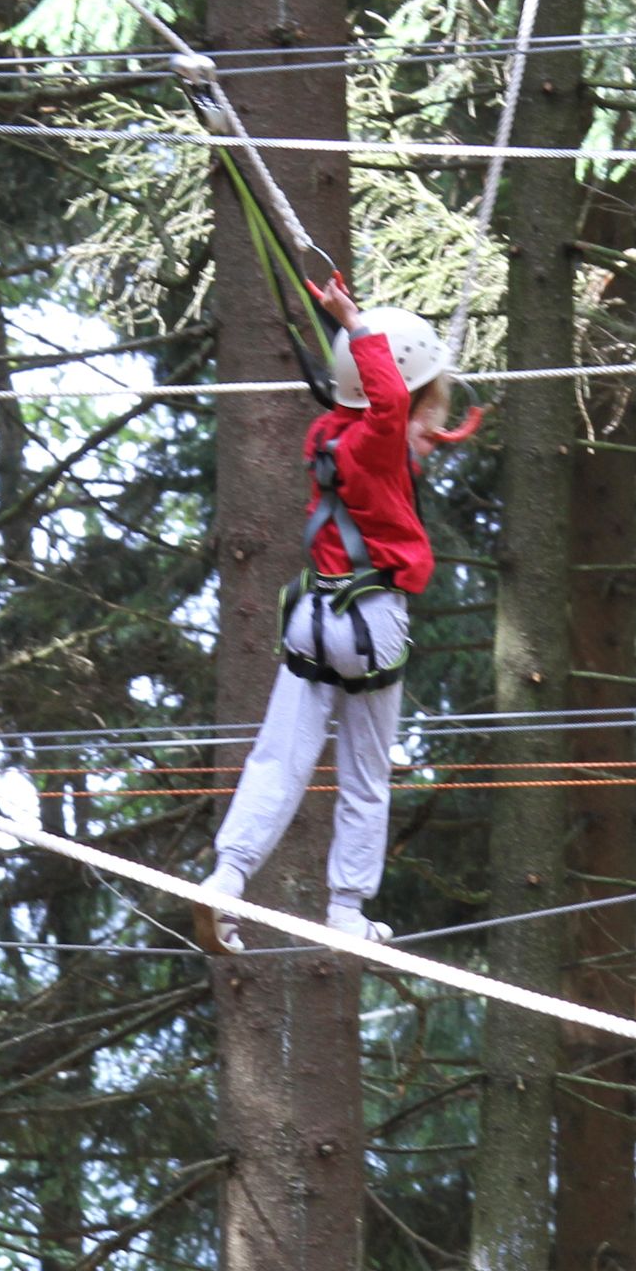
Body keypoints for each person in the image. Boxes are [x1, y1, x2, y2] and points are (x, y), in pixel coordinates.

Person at [199, 282, 474, 949]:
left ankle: (225, 879)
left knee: (276, 759)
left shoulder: (325, 437)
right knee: (365, 777)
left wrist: (363, 356)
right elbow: (387, 408)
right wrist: (354, 324)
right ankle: (346, 910)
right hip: (371, 621)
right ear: (406, 400)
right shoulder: (377, 440)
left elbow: (375, 412)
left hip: (312, 617)